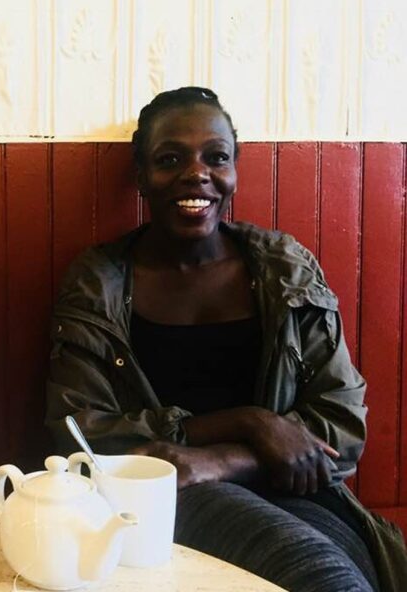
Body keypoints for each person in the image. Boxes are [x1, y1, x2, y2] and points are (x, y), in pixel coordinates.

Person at [46, 87, 407, 591]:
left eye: (216, 157)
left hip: (300, 495)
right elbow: (79, 434)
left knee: (340, 574)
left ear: (235, 169)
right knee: (317, 575)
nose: (197, 174)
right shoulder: (98, 282)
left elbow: (341, 433)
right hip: (164, 500)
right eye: (170, 159)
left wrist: (224, 458)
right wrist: (250, 422)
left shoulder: (286, 269)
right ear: (142, 177)